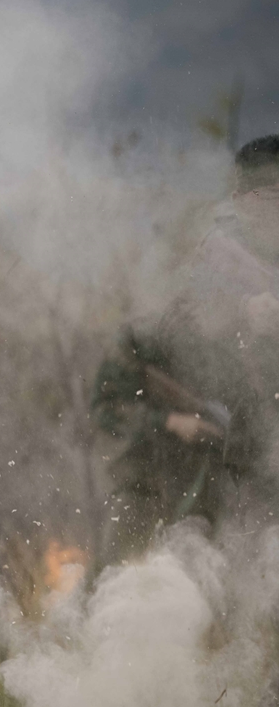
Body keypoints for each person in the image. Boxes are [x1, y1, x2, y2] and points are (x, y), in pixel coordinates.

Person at [92, 135, 279, 563]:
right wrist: (244, 311)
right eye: (272, 194)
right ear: (243, 199)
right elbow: (174, 326)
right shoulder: (212, 259)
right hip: (189, 466)